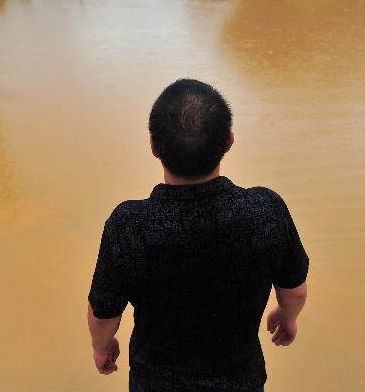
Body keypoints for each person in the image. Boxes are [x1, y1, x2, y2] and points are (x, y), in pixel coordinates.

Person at [87, 78, 309, 391]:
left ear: (153, 147)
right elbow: (295, 291)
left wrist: (102, 346)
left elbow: (103, 314)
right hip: (240, 381)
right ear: (229, 141)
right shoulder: (266, 211)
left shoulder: (129, 226)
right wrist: (287, 316)